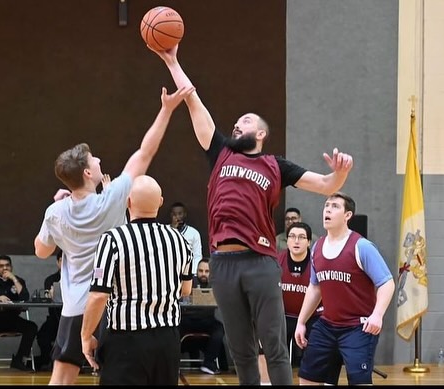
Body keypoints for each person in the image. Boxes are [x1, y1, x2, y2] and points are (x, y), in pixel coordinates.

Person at [150, 44, 353, 385]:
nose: (236, 124)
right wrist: (172, 61)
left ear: (260, 134)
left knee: (272, 346)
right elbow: (192, 100)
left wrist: (340, 175)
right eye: (235, 122)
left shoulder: (276, 165)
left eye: (244, 122)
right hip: (223, 264)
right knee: (239, 347)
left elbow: (325, 184)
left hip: (259, 261)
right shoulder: (220, 153)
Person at [33, 85, 195, 384]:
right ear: (86, 173)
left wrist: (54, 210)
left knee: (62, 375)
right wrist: (166, 109)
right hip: (112, 306)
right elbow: (145, 152)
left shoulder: (54, 212)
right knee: (115, 374)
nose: (98, 161)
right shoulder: (112, 198)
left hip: (75, 306)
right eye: (94, 160)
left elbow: (41, 251)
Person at [80, 175, 193, 385]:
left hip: (126, 340)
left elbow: (98, 295)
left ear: (128, 202)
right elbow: (185, 290)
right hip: (167, 340)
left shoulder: (112, 239)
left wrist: (86, 337)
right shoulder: (180, 240)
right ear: (160, 203)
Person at [295, 192, 395, 385]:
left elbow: (387, 283)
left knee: (359, 381)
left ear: (347, 215)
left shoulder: (362, 247)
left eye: (334, 206)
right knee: (307, 377)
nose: (327, 210)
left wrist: (377, 315)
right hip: (327, 325)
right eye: (326, 205)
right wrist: (301, 322)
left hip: (358, 327)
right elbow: (315, 287)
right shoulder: (316, 247)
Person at [258, 222, 341, 385]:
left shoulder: (318, 261)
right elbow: (264, 292)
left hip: (313, 316)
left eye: (302, 237)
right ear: (286, 241)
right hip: (283, 315)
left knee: (327, 348)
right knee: (267, 347)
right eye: (292, 237)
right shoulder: (275, 261)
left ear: (309, 242)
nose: (296, 241)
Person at [179, 258, 227, 375]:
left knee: (219, 328)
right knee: (174, 329)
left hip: (207, 321)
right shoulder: (190, 282)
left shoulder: (216, 285)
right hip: (188, 320)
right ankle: (173, 363)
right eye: (200, 271)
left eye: (206, 271)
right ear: (196, 271)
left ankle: (209, 364)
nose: (203, 274)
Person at [34, 249, 63, 371]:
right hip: (54, 317)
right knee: (42, 336)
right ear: (57, 262)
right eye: (62, 261)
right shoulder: (51, 279)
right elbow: (49, 296)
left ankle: (72, 362)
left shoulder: (77, 279)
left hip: (72, 318)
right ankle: (46, 358)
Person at [170, 201, 203, 274]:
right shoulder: (165, 231)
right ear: (171, 215)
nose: (177, 217)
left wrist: (193, 273)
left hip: (188, 271)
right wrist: (173, 228)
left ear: (185, 214)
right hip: (171, 271)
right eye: (174, 214)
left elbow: (197, 255)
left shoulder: (194, 233)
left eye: (180, 214)